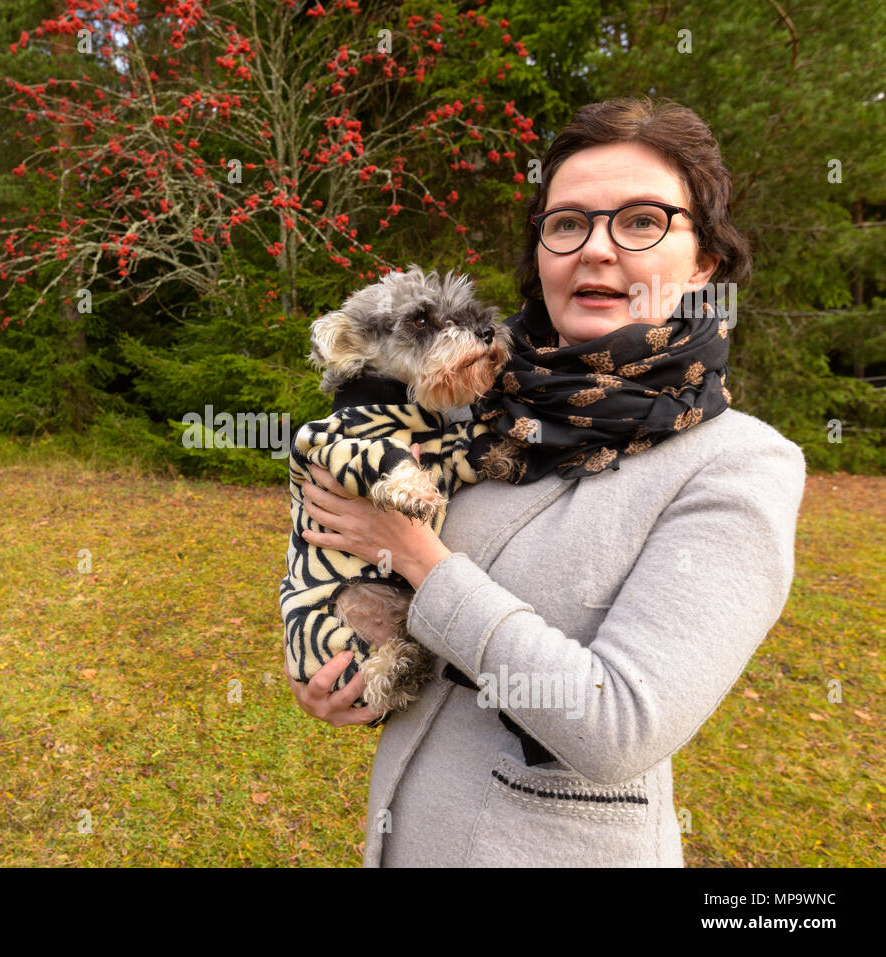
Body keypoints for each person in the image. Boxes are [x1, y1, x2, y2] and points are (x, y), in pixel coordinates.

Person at [283, 96, 806, 867]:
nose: (596, 249)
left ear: (704, 261)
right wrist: (348, 679)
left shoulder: (739, 464)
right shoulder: (482, 413)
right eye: (567, 223)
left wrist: (420, 559)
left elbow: (620, 725)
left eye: (641, 221)